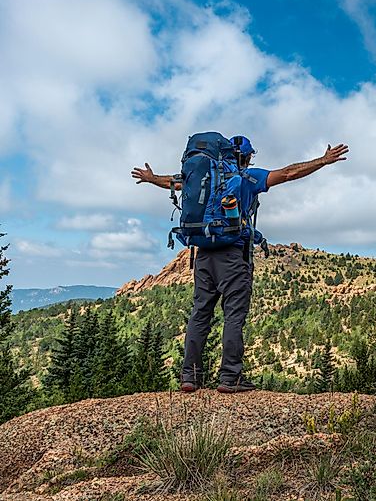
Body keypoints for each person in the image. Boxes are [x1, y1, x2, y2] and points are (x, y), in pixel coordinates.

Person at [132, 136, 349, 393]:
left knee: (200, 314)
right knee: (233, 316)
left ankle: (189, 378)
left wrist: (150, 177)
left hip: (203, 253)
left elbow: (173, 182)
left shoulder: (202, 178)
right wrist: (322, 161)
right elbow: (289, 173)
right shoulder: (248, 178)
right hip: (233, 255)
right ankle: (230, 378)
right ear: (245, 158)